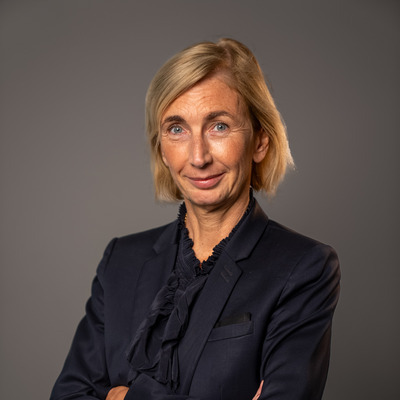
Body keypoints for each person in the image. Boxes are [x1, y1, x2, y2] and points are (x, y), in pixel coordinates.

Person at [50, 38, 340, 400]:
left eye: (219, 126)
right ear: (161, 148)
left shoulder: (304, 267)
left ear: (260, 141)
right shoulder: (120, 261)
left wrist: (126, 397)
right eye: (177, 129)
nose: (198, 156)